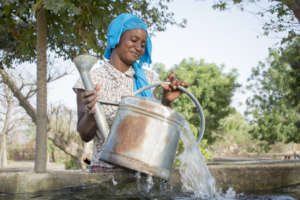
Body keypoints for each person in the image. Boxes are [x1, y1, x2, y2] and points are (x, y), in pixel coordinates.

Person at [73, 13, 188, 171]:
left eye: (143, 44)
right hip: (105, 173)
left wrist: (166, 102)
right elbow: (85, 135)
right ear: (116, 38)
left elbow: (156, 131)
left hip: (143, 171)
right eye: (134, 40)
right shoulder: (90, 79)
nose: (139, 48)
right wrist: (91, 112)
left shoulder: (148, 79)